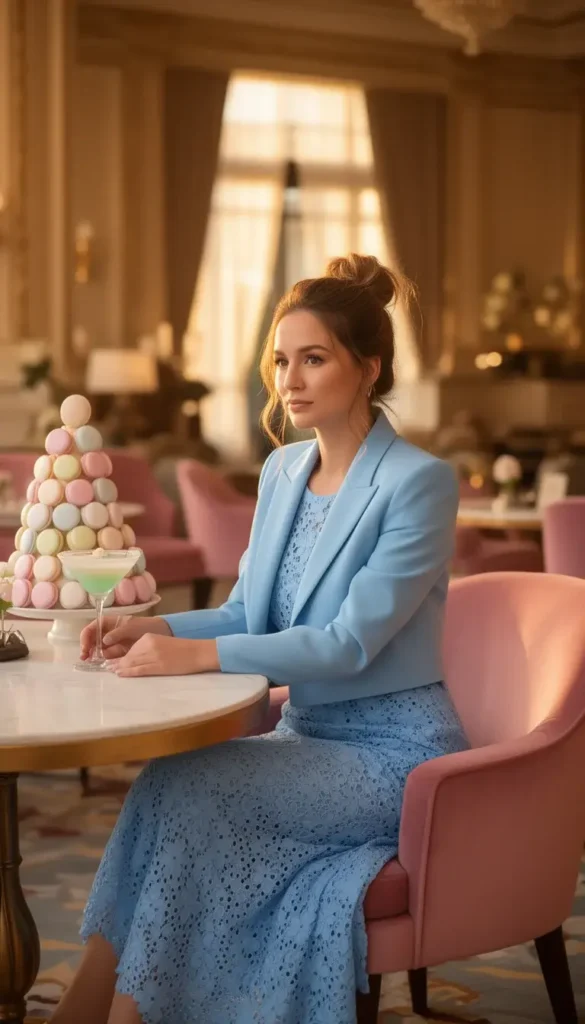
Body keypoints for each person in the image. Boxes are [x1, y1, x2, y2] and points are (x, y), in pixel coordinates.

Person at [53, 254, 468, 1024]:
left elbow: (346, 643)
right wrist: (159, 626)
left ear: (367, 366)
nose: (291, 379)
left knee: (197, 791)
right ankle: (84, 1012)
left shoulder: (418, 482)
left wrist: (197, 655)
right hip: (302, 736)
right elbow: (250, 612)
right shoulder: (280, 471)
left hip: (392, 752)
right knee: (165, 785)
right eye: (281, 360)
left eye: (314, 358)